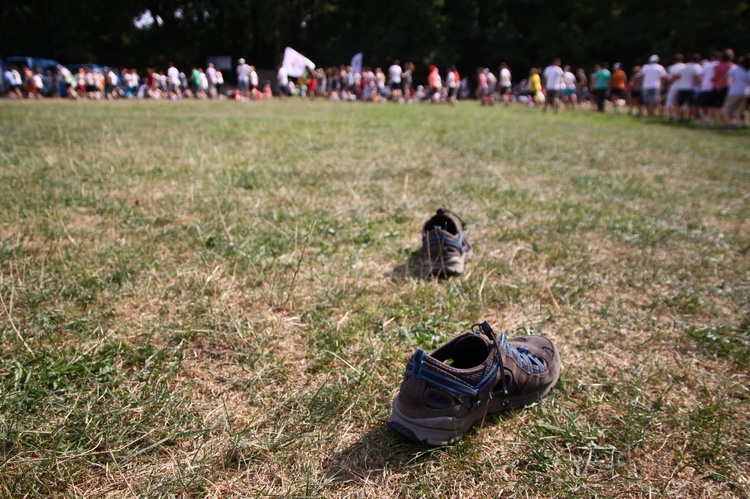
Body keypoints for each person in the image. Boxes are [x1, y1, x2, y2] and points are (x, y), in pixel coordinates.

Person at [720, 53, 749, 129]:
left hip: (734, 92)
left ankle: (728, 125)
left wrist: (719, 85)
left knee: (725, 110)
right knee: (737, 111)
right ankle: (739, 125)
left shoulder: (735, 69)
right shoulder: (747, 71)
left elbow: (726, 77)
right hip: (744, 92)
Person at [673, 53, 702, 121]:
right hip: (691, 88)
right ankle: (689, 118)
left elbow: (678, 76)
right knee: (691, 104)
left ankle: (680, 117)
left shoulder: (685, 66)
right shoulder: (697, 67)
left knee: (678, 103)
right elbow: (697, 77)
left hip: (682, 87)